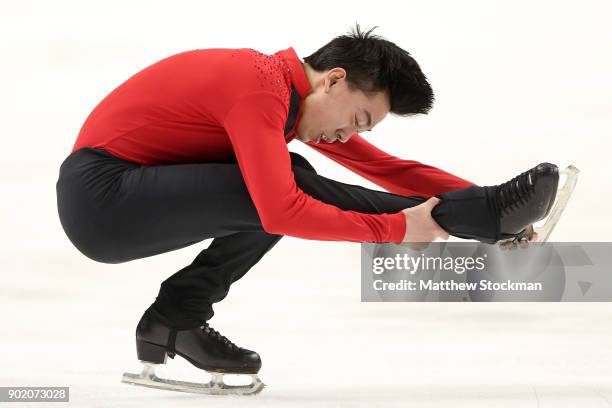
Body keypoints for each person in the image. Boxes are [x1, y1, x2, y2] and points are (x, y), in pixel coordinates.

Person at [55, 24, 558, 394]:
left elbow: (392, 171)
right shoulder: (258, 90)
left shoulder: (291, 97)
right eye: (359, 119)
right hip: (102, 198)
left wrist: (482, 196)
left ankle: (175, 320)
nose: (350, 136)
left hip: (120, 196)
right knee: (285, 184)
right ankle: (481, 218)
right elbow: (280, 210)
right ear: (333, 80)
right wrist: (396, 228)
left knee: (286, 177)